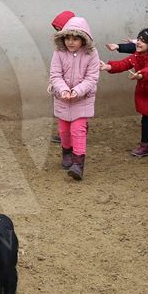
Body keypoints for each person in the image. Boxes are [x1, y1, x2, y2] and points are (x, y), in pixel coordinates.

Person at [100, 28, 148, 164]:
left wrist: (141, 74)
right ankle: (145, 144)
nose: (139, 42)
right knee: (146, 120)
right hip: (146, 93)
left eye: (143, 41)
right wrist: (108, 67)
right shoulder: (136, 56)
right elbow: (124, 64)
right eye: (139, 39)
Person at [49, 16, 100, 181]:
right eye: (68, 38)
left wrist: (77, 91)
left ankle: (78, 164)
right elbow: (55, 75)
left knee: (78, 130)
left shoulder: (92, 54)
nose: (71, 42)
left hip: (82, 99)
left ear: (84, 39)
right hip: (62, 98)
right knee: (64, 130)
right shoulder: (59, 52)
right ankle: (66, 152)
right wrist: (63, 90)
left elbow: (92, 78)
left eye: (75, 38)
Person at [49, 10, 76, 144]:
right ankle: (65, 133)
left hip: (77, 84)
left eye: (61, 29)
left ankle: (77, 132)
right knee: (63, 108)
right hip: (63, 83)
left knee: (77, 109)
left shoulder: (83, 47)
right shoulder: (60, 48)